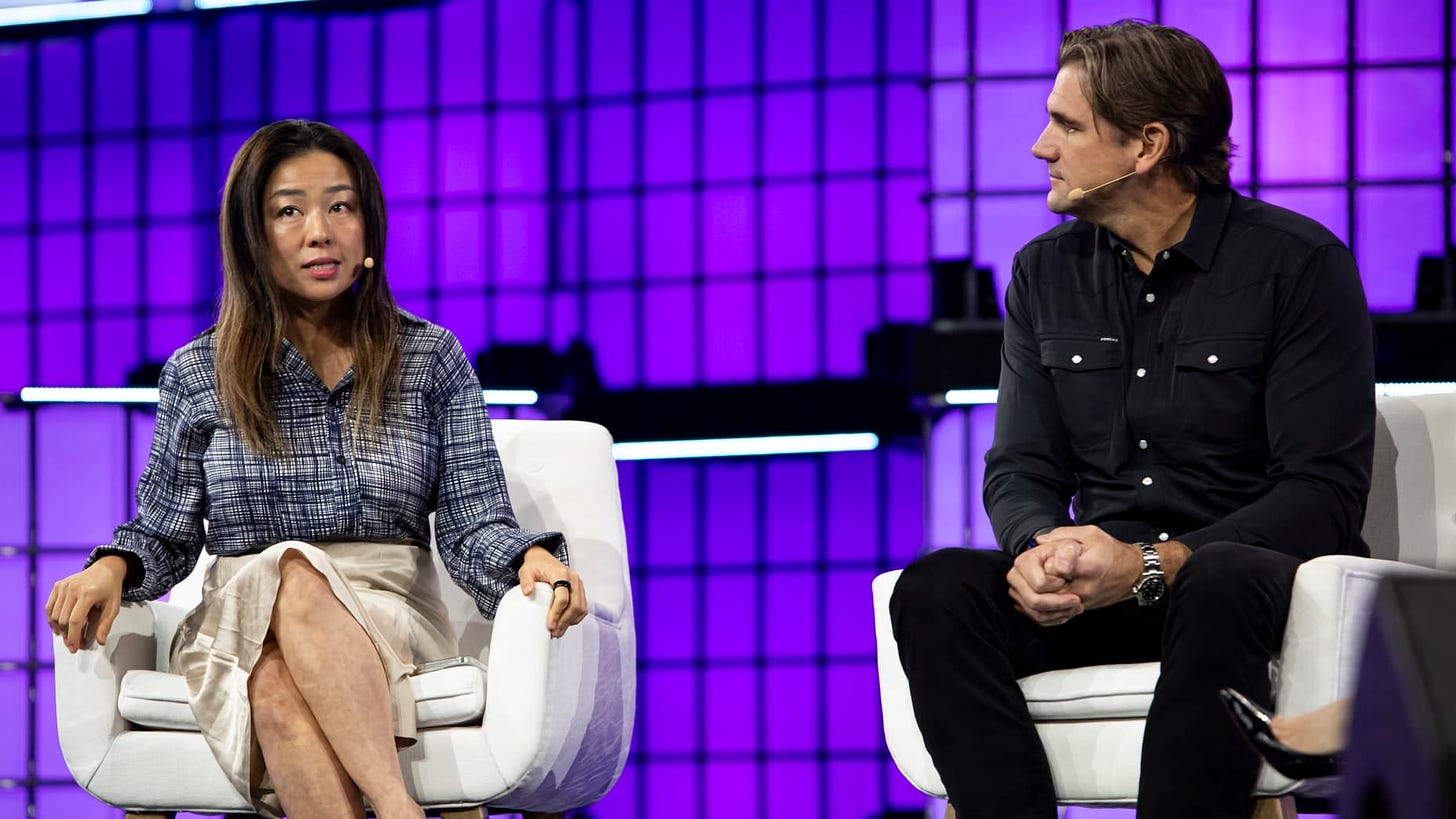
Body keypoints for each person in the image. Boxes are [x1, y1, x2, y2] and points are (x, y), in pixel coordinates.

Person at [889, 21, 1375, 819]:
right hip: (1101, 592)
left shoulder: (1299, 265)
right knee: (937, 587)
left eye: (1068, 125)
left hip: (1238, 587)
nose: (1043, 146)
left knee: (1218, 581)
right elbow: (1020, 466)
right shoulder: (1043, 273)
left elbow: (1322, 495)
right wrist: (1040, 549)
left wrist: (1154, 561)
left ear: (1147, 144)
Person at [43, 119, 586, 819]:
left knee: (281, 643)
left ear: (368, 225)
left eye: (340, 205)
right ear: (252, 236)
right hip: (238, 617)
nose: (319, 231)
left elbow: (473, 519)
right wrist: (111, 566)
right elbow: (166, 530)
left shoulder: (430, 359)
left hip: (390, 611)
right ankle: (398, 807)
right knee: (278, 623)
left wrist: (529, 559)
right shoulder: (197, 373)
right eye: (289, 211)